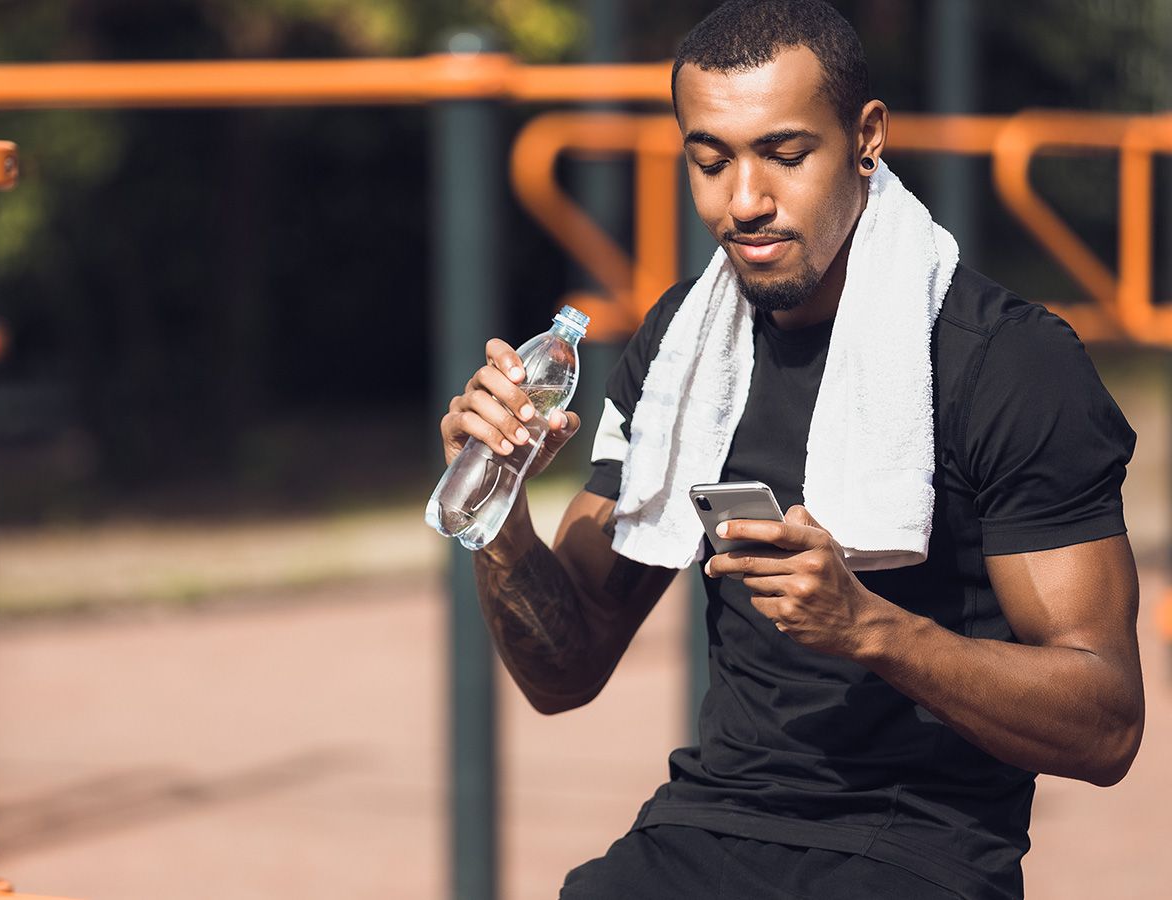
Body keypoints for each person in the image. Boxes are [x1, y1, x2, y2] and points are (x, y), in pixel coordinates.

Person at [437, 1, 1143, 897]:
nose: (744, 202)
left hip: (914, 848)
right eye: (710, 160)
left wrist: (873, 630)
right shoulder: (682, 353)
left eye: (784, 154)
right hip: (707, 823)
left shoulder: (1008, 361)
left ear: (866, 138)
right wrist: (496, 508)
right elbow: (565, 672)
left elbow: (1107, 725)